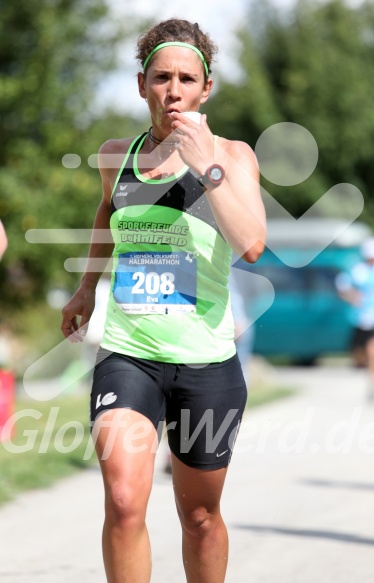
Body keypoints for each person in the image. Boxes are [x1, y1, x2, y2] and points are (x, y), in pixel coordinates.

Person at [61, 18, 266, 583]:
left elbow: (251, 243)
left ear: (205, 89)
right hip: (129, 354)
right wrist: (86, 286)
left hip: (206, 362)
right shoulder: (115, 156)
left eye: (185, 79)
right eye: (160, 77)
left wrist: (208, 167)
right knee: (125, 501)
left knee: (199, 515)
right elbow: (107, 212)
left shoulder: (233, 156)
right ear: (141, 85)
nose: (172, 90)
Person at [335, 235, 374, 401]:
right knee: (359, 353)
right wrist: (353, 297)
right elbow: (343, 288)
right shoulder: (356, 270)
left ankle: (373, 383)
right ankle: (363, 365)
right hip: (358, 318)